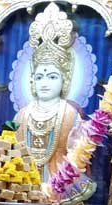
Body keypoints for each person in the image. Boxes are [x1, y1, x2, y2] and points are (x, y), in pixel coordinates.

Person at [13, 3, 86, 184]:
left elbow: (79, 158)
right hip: (21, 186)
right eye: (39, 77)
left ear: (65, 81)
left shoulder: (71, 115)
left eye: (52, 77)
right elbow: (12, 155)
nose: (44, 83)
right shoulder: (21, 116)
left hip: (63, 187)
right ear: (32, 81)